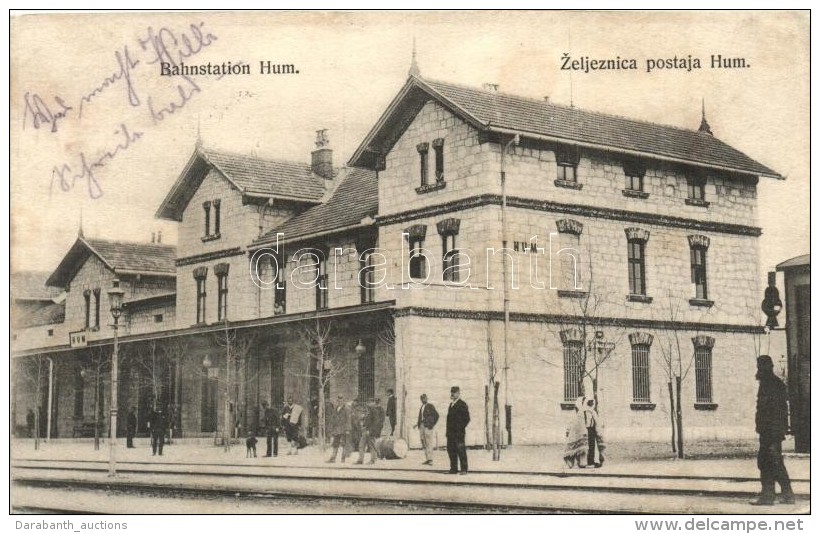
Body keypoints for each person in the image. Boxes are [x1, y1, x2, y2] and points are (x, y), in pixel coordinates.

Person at [751, 355, 795, 505]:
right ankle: (775, 495)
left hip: (772, 432)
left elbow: (778, 411)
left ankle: (774, 495)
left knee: (772, 462)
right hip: (767, 432)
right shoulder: (767, 384)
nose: (758, 370)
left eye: (760, 367)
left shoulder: (774, 385)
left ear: (766, 367)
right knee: (768, 462)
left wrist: (776, 432)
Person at [446, 386, 470, 474]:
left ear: (459, 393)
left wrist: (459, 428)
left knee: (461, 451)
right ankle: (454, 468)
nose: (452, 394)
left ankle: (464, 469)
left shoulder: (462, 404)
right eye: (451, 392)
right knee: (451, 451)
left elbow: (467, 419)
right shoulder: (451, 404)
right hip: (450, 434)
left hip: (458, 434)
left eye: (455, 392)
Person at [413, 393, 439, 465]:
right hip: (421, 426)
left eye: (424, 398)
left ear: (427, 398)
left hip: (428, 427)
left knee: (428, 442)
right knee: (423, 442)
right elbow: (421, 417)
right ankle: (427, 459)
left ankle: (430, 459)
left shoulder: (430, 406)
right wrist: (417, 424)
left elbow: (436, 415)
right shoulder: (422, 407)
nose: (423, 399)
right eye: (421, 398)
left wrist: (431, 424)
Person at [563, 396, 589, 468]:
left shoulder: (585, 412)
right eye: (582, 402)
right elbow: (570, 422)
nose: (584, 403)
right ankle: (571, 462)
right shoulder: (575, 413)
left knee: (582, 448)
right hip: (574, 433)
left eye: (584, 402)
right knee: (573, 448)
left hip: (583, 432)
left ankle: (582, 463)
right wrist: (568, 430)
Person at [357, 398, 384, 464]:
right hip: (365, 430)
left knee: (372, 445)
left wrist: (371, 430)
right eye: (368, 402)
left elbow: (376, 422)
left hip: (370, 431)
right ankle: (360, 460)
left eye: (370, 402)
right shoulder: (368, 410)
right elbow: (367, 420)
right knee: (361, 445)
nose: (368, 403)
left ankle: (373, 460)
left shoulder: (374, 411)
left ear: (373, 403)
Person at [326, 395, 351, 463]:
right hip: (337, 430)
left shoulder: (346, 409)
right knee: (335, 444)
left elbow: (348, 420)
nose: (340, 402)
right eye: (338, 401)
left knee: (344, 444)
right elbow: (333, 418)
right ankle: (333, 458)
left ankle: (343, 459)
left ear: (343, 401)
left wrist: (347, 429)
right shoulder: (336, 408)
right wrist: (332, 428)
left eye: (341, 401)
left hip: (343, 430)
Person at [583, 397, 604, 468]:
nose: (591, 403)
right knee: (587, 446)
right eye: (590, 401)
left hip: (592, 430)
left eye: (592, 401)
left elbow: (597, 421)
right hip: (586, 430)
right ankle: (588, 462)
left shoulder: (592, 411)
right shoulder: (584, 412)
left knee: (593, 446)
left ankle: (594, 461)